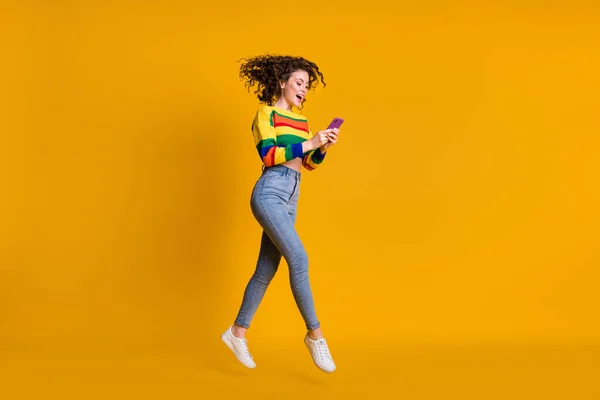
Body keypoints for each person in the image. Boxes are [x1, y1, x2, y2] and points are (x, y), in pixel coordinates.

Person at [220, 55, 340, 373]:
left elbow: (308, 164)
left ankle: (236, 333)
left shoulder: (301, 121)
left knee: (265, 270)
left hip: (292, 195)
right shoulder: (265, 114)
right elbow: (270, 155)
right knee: (299, 260)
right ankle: (315, 335)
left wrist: (321, 148)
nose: (303, 90)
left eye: (307, 86)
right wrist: (310, 143)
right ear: (283, 83)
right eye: (299, 83)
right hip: (270, 191)